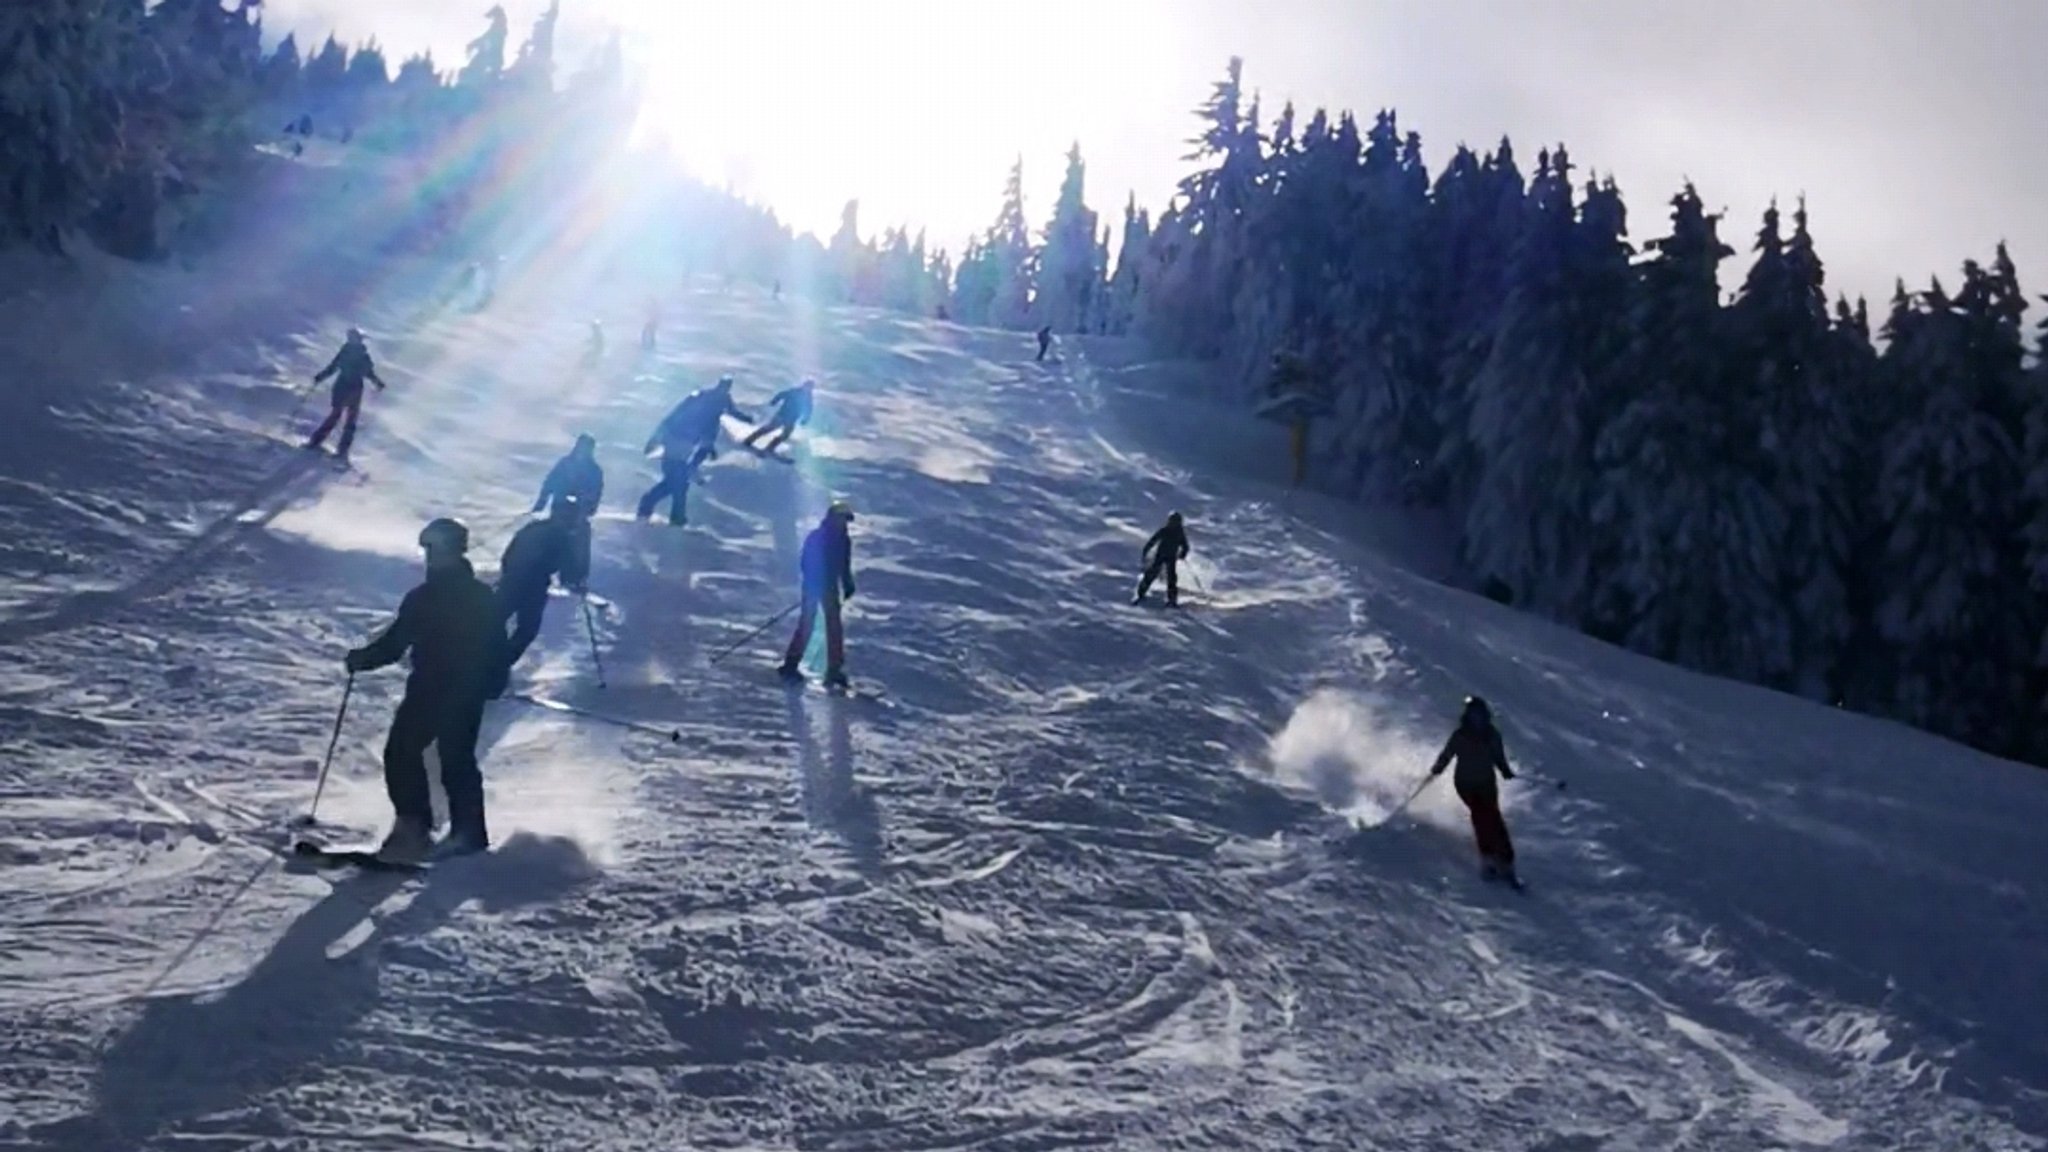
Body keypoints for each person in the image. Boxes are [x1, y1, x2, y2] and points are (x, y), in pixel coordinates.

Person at [345, 518, 505, 863]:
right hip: (433, 686)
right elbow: (396, 642)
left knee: (451, 759)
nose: (429, 556)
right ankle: (417, 826)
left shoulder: (470, 596)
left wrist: (492, 680)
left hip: (457, 689)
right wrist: (363, 659)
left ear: (454, 550)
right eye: (426, 548)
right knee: (403, 752)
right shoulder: (430, 596)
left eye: (435, 548)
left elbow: (496, 645)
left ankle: (465, 834)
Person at [1427, 695, 1519, 885]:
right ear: (1468, 717)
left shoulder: (1492, 735)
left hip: (1486, 782)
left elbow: (1498, 757)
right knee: (1480, 816)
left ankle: (1506, 860)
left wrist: (1505, 771)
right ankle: (1487, 858)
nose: (1476, 719)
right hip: (1465, 783)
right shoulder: (1460, 735)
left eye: (1479, 715)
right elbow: (1447, 754)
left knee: (1494, 817)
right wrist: (1438, 768)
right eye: (1473, 715)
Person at [637, 375, 753, 525]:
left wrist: (745, 419)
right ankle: (670, 515)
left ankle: (656, 509)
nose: (725, 389)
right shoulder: (703, 397)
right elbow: (680, 414)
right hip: (678, 440)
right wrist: (657, 437)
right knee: (678, 480)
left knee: (676, 480)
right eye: (724, 386)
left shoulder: (717, 398)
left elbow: (726, 414)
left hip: (685, 442)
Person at [496, 496, 590, 669]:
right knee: (527, 629)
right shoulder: (562, 537)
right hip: (534, 586)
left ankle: (479, 657)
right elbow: (568, 572)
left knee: (494, 619)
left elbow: (509, 554)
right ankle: (498, 664)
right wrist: (577, 583)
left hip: (510, 580)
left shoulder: (533, 528)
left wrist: (508, 573)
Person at [779, 499, 857, 688]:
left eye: (845, 520)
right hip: (814, 586)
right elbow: (806, 562)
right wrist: (815, 582)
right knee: (808, 623)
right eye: (841, 519)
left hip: (829, 587)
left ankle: (834, 669)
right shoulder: (817, 537)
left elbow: (843, 566)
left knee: (834, 626)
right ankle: (791, 663)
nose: (844, 524)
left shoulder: (844, 540)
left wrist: (847, 584)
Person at [305, 327, 386, 462]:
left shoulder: (349, 352)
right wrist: (377, 383)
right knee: (345, 418)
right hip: (351, 387)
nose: (353, 340)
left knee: (342, 417)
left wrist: (320, 377)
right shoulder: (360, 354)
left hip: (346, 386)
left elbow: (334, 367)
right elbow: (366, 372)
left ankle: (320, 443)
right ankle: (336, 449)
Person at [742, 379, 816, 454]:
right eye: (807, 386)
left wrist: (805, 419)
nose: (808, 389)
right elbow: (781, 394)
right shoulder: (794, 392)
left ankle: (770, 448)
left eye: (810, 388)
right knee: (768, 429)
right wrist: (774, 401)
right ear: (803, 385)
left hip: (792, 420)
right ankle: (748, 440)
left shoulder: (808, 398)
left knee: (785, 435)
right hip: (782, 415)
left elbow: (808, 410)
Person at [1133, 511, 1189, 606]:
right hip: (1161, 555)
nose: (1173, 524)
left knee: (1171, 578)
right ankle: (1140, 594)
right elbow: (1153, 541)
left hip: (1171, 557)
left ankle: (1172, 600)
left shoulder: (1179, 533)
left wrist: (1183, 554)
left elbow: (1185, 546)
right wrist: (1146, 550)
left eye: (1175, 522)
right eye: (1172, 521)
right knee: (1151, 574)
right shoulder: (1165, 530)